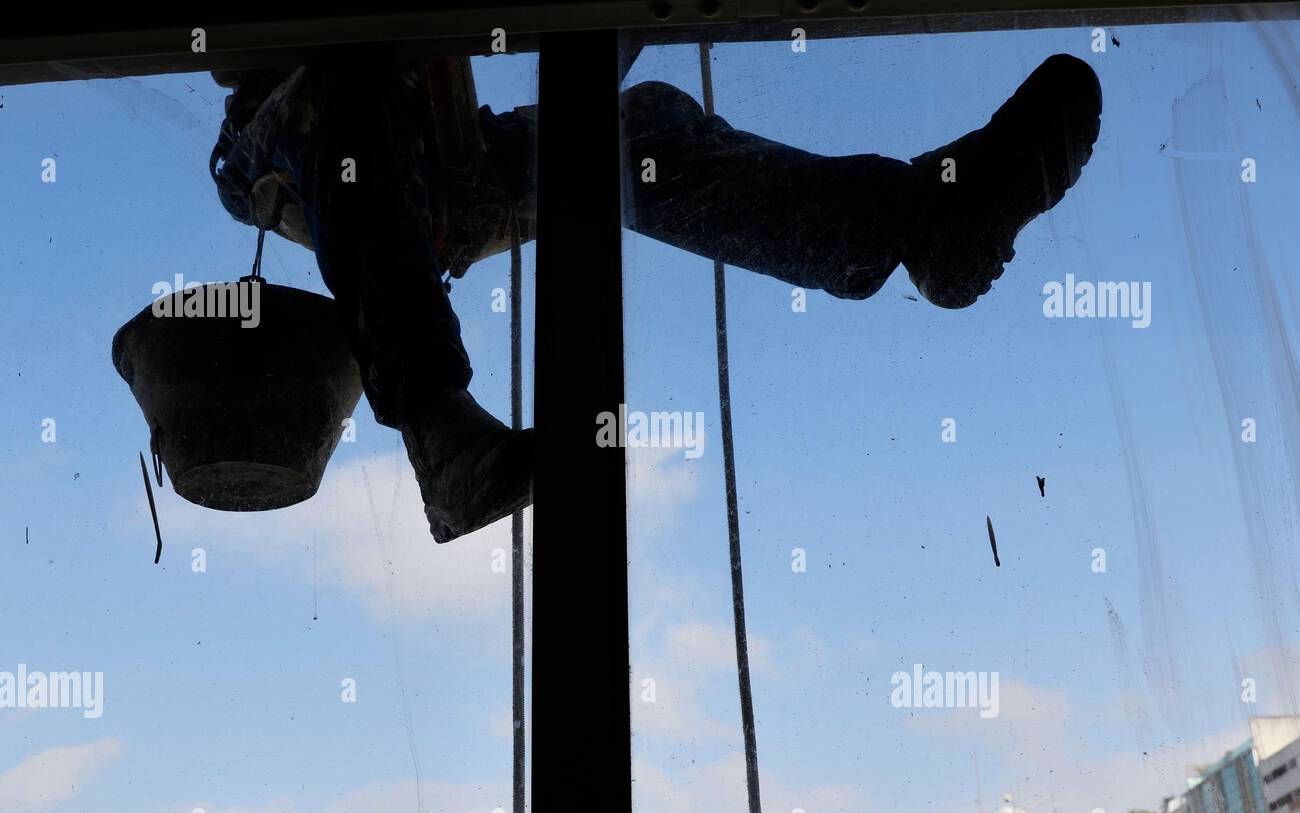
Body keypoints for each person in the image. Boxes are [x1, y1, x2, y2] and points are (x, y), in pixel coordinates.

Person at [209, 52, 1102, 542]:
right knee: (348, 84)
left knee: (646, 128)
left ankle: (918, 225)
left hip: (440, 146)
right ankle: (444, 442)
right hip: (292, 130)